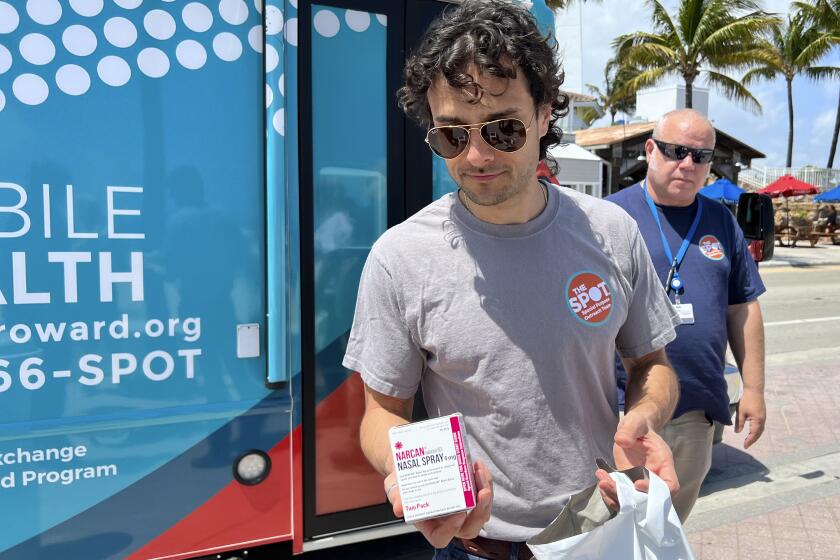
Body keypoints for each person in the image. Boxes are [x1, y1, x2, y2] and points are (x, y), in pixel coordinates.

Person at [343, 2, 683, 558]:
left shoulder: (611, 233)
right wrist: (403, 471)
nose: (476, 155)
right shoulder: (399, 257)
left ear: (545, 114)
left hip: (600, 529)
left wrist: (642, 419)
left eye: (503, 129)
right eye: (451, 136)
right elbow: (382, 413)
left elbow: (651, 365)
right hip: (474, 546)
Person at [607, 109, 767, 522]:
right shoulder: (608, 217)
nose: (688, 164)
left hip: (697, 409)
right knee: (616, 529)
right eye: (677, 151)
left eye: (701, 156)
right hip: (625, 410)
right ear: (650, 150)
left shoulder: (722, 222)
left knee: (669, 528)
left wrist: (753, 389)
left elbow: (743, 307)